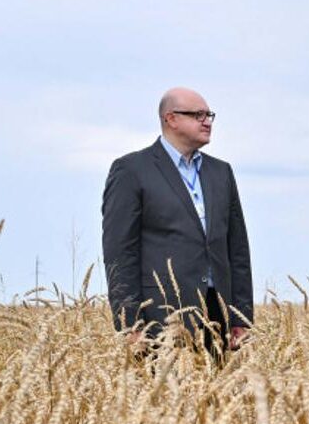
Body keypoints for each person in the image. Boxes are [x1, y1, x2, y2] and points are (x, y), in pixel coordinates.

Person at [102, 87, 254, 352]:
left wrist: (240, 317)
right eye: (198, 115)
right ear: (170, 119)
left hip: (217, 314)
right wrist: (130, 324)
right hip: (159, 316)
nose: (207, 122)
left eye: (209, 115)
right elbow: (120, 252)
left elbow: (237, 249)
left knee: (214, 381)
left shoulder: (221, 172)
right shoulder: (131, 170)